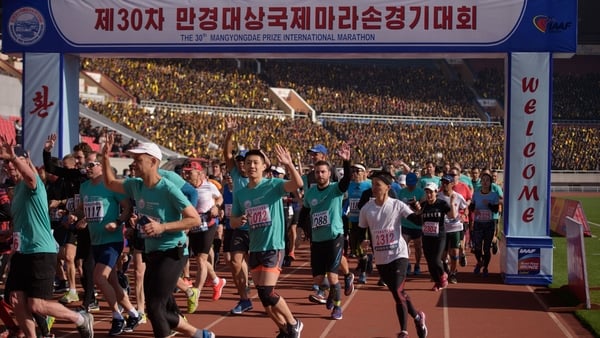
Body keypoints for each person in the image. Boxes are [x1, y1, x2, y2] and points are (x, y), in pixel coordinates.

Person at [101, 135, 215, 338]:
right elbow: (109, 183)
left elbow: (194, 219)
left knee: (154, 308)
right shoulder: (136, 185)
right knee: (161, 310)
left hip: (173, 251)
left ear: (153, 161)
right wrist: (105, 156)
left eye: (138, 159)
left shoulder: (168, 188)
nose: (133, 163)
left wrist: (163, 227)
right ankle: (199, 334)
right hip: (151, 251)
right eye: (133, 159)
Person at [0, 137, 94, 338]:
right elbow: (19, 226)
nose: (9, 166)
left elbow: (31, 176)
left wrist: (15, 158)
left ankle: (81, 318)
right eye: (6, 163)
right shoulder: (16, 191)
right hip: (22, 252)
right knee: (16, 299)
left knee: (37, 304)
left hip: (41, 251)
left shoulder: (33, 185)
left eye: (12, 162)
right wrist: (13, 252)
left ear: (26, 161)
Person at [230, 146, 304, 338]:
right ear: (244, 168)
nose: (251, 166)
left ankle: (294, 323)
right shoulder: (241, 194)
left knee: (269, 292)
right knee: (263, 297)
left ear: (264, 166)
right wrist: (239, 221)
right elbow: (233, 220)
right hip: (255, 247)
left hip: (273, 246)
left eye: (256, 163)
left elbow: (297, 183)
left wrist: (288, 164)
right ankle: (284, 329)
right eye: (248, 163)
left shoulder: (273, 185)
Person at [77, 154, 142, 335]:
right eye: (85, 165)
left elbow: (127, 207)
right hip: (95, 240)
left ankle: (117, 317)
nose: (87, 168)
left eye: (91, 164)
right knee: (112, 281)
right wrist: (78, 217)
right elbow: (84, 207)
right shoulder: (85, 187)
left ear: (100, 165)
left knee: (99, 277)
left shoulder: (111, 185)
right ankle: (133, 313)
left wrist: (118, 222)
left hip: (112, 241)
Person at [358, 171, 427, 338]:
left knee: (397, 291)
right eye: (372, 184)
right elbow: (361, 232)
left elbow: (417, 222)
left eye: (377, 185)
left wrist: (419, 211)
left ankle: (404, 331)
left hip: (399, 255)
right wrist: (363, 242)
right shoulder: (367, 209)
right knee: (399, 294)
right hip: (381, 259)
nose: (374, 188)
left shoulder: (397, 205)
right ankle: (418, 317)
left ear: (387, 187)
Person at [303, 143, 353, 320]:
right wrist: (305, 230)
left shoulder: (335, 189)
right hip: (317, 240)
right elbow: (305, 212)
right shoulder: (310, 194)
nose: (319, 175)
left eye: (323, 172)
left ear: (329, 174)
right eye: (317, 172)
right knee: (317, 280)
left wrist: (346, 162)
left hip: (334, 237)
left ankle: (337, 308)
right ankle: (332, 292)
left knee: (332, 277)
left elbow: (346, 180)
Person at [181, 160, 226, 313]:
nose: (187, 174)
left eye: (190, 172)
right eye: (186, 172)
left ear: (199, 173)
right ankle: (216, 281)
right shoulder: (184, 188)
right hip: (193, 226)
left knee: (201, 259)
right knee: (199, 259)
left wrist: (216, 206)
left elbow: (220, 198)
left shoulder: (209, 185)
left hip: (209, 224)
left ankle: (196, 293)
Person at [420, 182, 457, 291]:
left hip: (439, 236)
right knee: (429, 262)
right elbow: (417, 217)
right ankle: (437, 282)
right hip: (427, 237)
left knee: (436, 260)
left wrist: (452, 202)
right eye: (427, 192)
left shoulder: (441, 204)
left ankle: (443, 275)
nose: (429, 195)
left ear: (436, 192)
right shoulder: (424, 205)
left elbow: (452, 216)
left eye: (431, 192)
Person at [437, 174, 469, 284]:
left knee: (455, 253)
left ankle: (453, 273)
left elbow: (465, 208)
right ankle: (445, 267)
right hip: (443, 229)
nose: (444, 184)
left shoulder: (458, 196)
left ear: (451, 184)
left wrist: (464, 216)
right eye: (443, 182)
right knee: (443, 255)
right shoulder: (438, 196)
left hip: (455, 228)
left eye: (446, 183)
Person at [469, 172, 501, 277]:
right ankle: (479, 262)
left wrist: (490, 204)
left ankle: (486, 268)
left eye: (488, 180)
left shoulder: (494, 195)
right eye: (483, 180)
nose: (485, 182)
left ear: (491, 182)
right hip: (478, 224)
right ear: (481, 182)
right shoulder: (476, 194)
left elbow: (496, 210)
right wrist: (474, 211)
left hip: (489, 224)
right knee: (477, 248)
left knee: (487, 248)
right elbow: (471, 208)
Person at [396, 172, 425, 276]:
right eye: (408, 183)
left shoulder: (421, 192)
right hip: (405, 223)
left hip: (417, 224)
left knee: (418, 246)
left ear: (416, 182)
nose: (410, 185)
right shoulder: (401, 192)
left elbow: (423, 209)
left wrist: (417, 206)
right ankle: (407, 264)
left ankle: (417, 265)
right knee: (404, 246)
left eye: (412, 183)